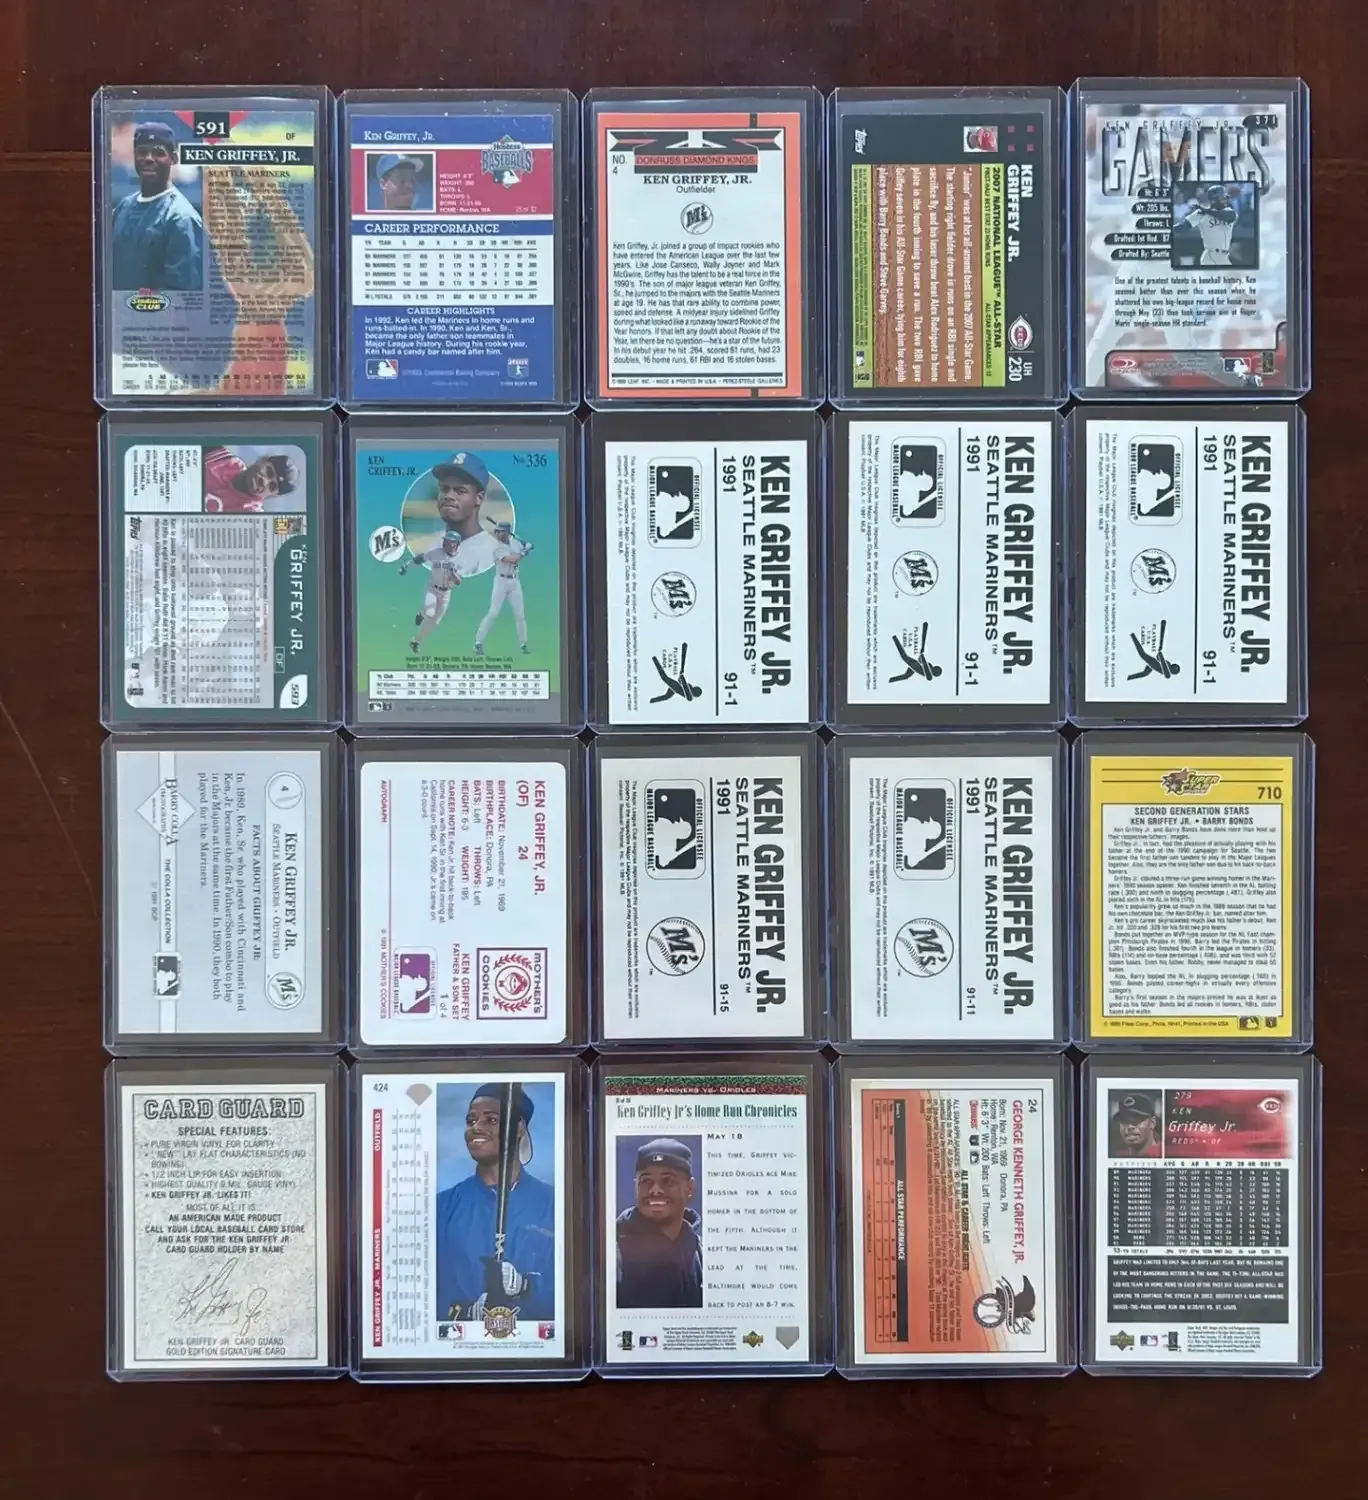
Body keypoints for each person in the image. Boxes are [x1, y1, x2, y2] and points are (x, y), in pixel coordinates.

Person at [434, 1083, 555, 1323]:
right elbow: (422, 1290)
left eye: (491, 1120)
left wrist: (526, 1285)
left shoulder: (554, 1205)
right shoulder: (442, 1208)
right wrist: (464, 1313)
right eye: (471, 1120)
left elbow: (576, 1291)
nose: (476, 1127)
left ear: (518, 1128)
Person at [111, 121, 203, 291]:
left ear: (173, 158)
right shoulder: (123, 207)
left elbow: (182, 292)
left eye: (158, 153)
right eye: (142, 152)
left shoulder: (181, 218)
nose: (149, 159)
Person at [616, 1138, 703, 1309]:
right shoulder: (611, 1254)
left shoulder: (703, 1254)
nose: (655, 1190)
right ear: (636, 1187)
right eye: (646, 1181)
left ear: (689, 1188)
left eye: (668, 1181)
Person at [400, 531, 465, 653]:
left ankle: (415, 641)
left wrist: (452, 573)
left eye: (451, 542)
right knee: (430, 613)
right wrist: (406, 565)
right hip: (432, 589)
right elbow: (420, 559)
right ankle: (422, 614)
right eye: (446, 541)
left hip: (446, 593)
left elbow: (458, 582)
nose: (448, 544)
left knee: (435, 622)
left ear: (457, 544)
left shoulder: (461, 558)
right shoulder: (437, 553)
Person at [474, 520, 532, 655]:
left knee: (520, 614)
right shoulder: (496, 547)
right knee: (493, 612)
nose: (499, 533)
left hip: (514, 581)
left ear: (507, 533)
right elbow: (513, 559)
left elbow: (524, 552)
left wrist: (527, 547)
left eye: (502, 531)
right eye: (498, 531)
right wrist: (525, 550)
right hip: (501, 581)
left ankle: (523, 644)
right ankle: (478, 642)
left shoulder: (515, 543)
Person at [202, 447, 298, 513]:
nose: (264, 481)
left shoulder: (251, 517)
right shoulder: (219, 457)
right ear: (262, 460)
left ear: (271, 495)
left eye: (271, 486)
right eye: (269, 472)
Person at [1181, 184, 1239, 267]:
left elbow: (1229, 216)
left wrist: (1205, 210)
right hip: (1210, 254)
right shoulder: (1200, 213)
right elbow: (1184, 225)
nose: (1225, 200)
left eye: (1225, 198)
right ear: (1213, 200)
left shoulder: (1229, 211)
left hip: (1223, 255)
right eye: (1222, 198)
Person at [1112, 1093, 1163, 1158]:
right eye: (1124, 1121)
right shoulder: (1116, 1158)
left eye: (1137, 1120)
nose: (1130, 1127)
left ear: (1152, 1123)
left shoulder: (1165, 1155)